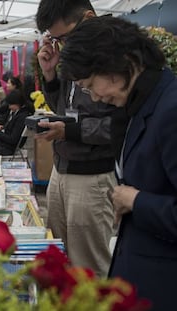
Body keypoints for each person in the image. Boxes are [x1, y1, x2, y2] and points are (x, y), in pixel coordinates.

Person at [60, 16, 177, 311]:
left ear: (118, 63)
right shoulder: (137, 106)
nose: (95, 97)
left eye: (91, 85)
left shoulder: (170, 109)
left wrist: (137, 201)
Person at [34, 0, 117, 277]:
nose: (62, 45)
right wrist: (50, 74)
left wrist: (69, 131)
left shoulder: (116, 57)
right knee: (59, 258)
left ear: (89, 17)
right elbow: (63, 108)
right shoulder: (74, 55)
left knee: (89, 268)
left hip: (92, 175)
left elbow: (117, 126)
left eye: (65, 37)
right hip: (62, 168)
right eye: (55, 39)